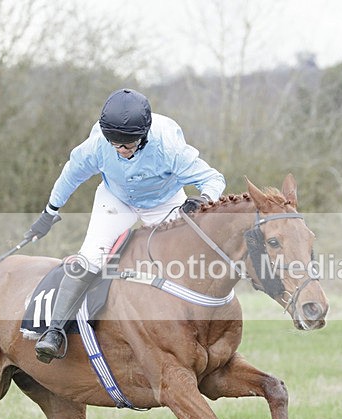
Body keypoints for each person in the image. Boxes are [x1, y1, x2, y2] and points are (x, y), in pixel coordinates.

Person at [24, 88, 226, 362]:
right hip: (116, 199)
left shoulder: (168, 146)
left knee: (184, 263)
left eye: (128, 145)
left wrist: (202, 199)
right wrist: (50, 211)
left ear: (142, 137)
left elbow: (214, 179)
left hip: (164, 202)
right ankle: (55, 331)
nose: (121, 150)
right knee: (91, 258)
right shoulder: (97, 145)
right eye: (115, 144)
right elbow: (71, 175)